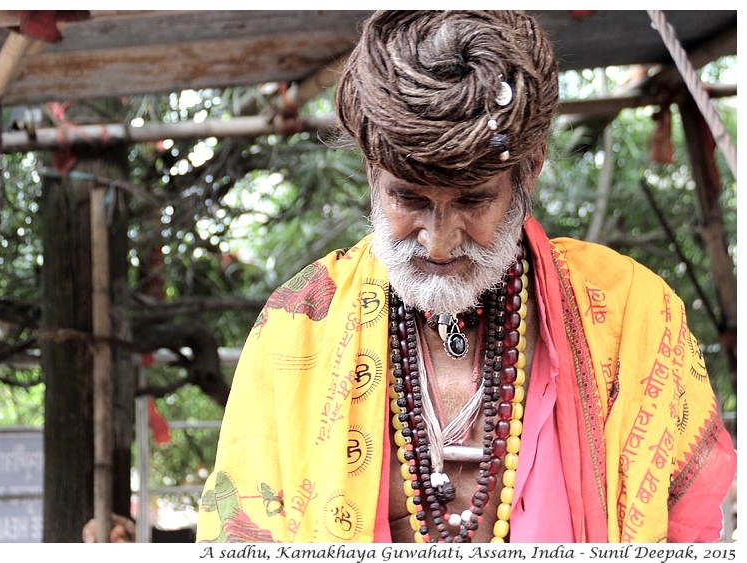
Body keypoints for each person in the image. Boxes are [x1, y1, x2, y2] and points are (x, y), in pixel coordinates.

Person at [196, 10, 736, 543]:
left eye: (473, 201)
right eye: (407, 198)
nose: (438, 239)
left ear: (531, 169)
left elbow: (689, 520)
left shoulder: (629, 312)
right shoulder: (300, 322)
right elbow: (240, 530)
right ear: (370, 171)